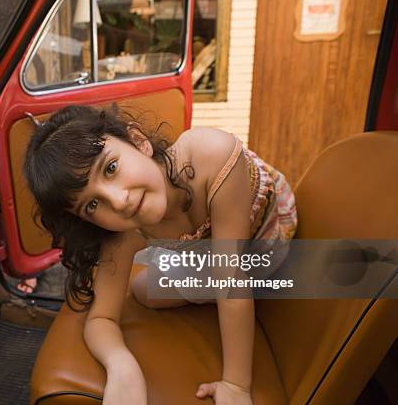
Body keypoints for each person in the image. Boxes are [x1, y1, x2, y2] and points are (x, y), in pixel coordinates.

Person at [23, 105, 297, 404]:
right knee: (144, 290)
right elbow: (101, 317)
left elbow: (231, 280)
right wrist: (121, 366)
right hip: (211, 259)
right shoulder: (122, 233)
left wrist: (236, 385)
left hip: (262, 243)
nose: (118, 201)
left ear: (139, 141)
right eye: (91, 205)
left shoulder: (212, 154)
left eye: (110, 168)